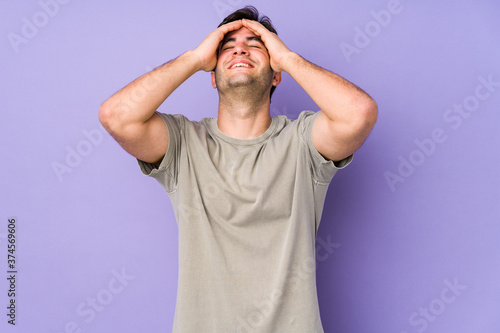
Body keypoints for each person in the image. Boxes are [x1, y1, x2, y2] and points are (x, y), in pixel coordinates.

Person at [99, 6, 377, 333]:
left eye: (255, 44)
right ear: (213, 77)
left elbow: (359, 113)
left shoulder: (303, 143)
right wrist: (193, 58)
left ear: (275, 74)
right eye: (227, 47)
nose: (240, 49)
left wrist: (287, 57)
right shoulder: (184, 144)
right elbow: (116, 116)